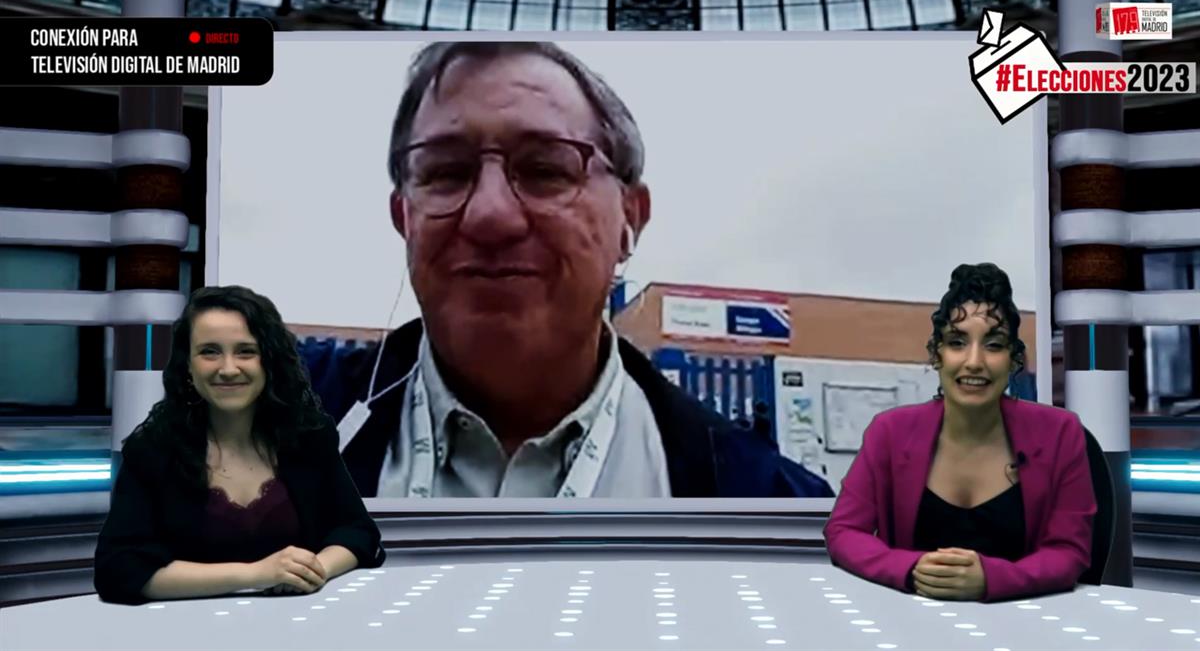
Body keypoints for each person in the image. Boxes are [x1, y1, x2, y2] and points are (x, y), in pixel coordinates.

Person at [312, 41, 831, 498]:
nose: (490, 214)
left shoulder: (775, 509)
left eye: (545, 169)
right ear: (403, 217)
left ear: (630, 218)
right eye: (446, 172)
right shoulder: (276, 423)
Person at [94, 286, 384, 605]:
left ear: (268, 361)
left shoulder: (308, 438)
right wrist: (256, 574)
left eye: (246, 351)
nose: (229, 369)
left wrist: (311, 571)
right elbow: (118, 569)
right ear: (187, 365)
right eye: (210, 352)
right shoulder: (153, 451)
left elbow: (358, 532)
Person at [823, 263, 1096, 601]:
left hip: (1025, 622)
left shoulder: (1060, 433)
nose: (974, 361)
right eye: (957, 342)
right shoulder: (889, 432)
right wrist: (909, 568)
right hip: (910, 622)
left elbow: (1070, 552)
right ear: (936, 354)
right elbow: (844, 531)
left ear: (1013, 360)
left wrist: (992, 579)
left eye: (993, 345)